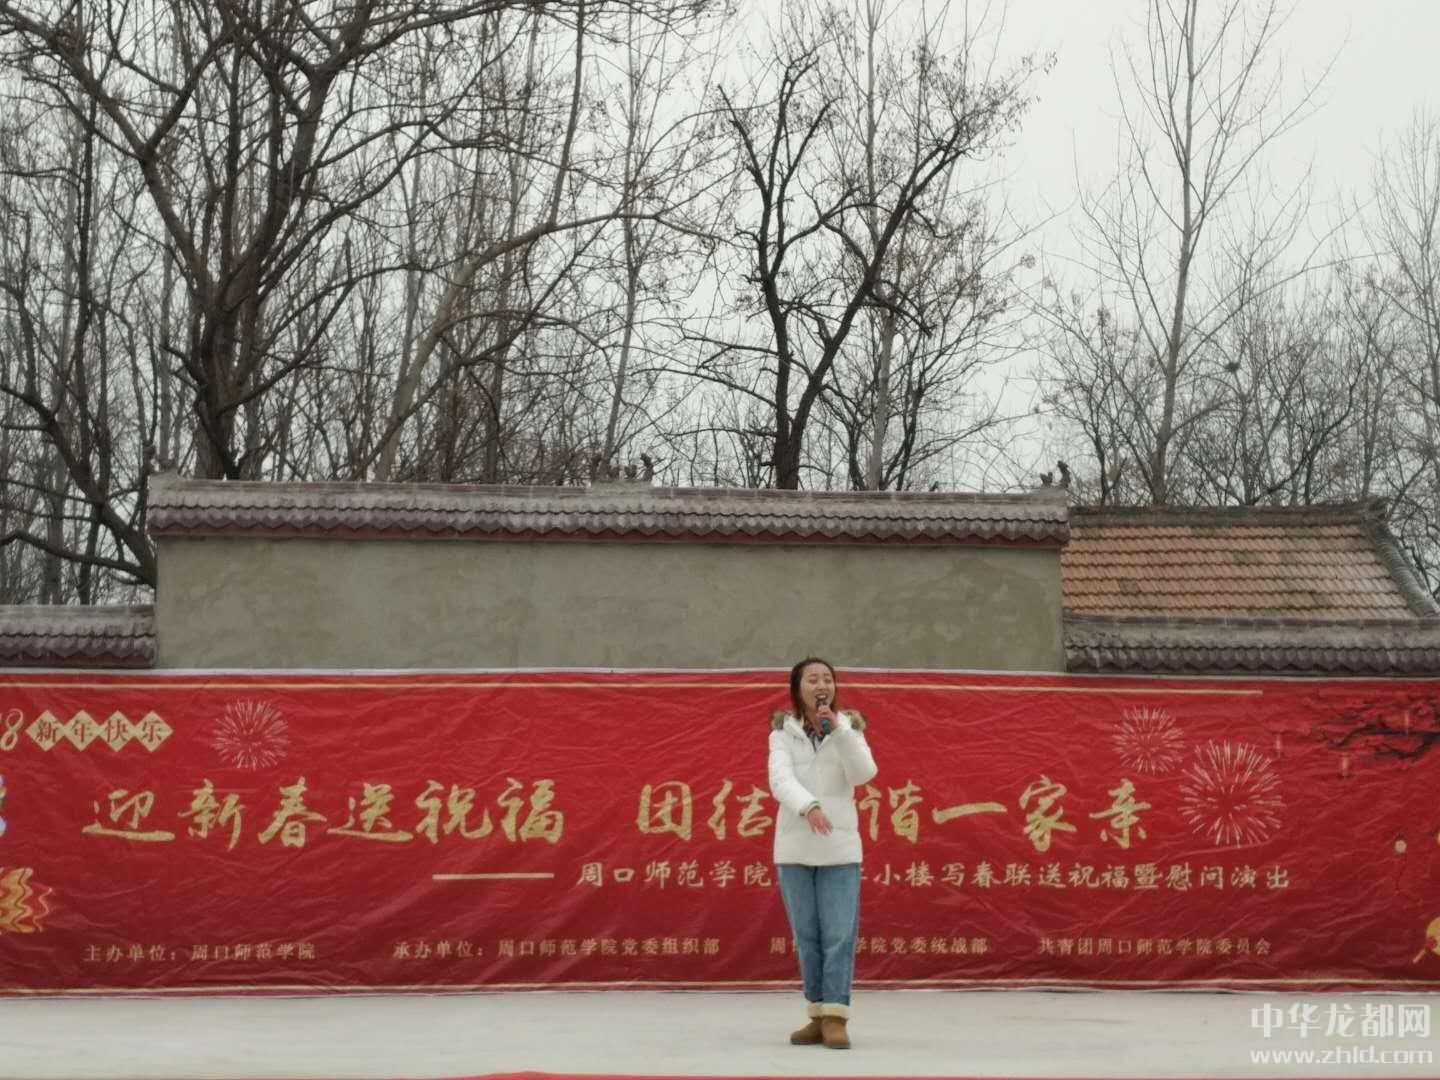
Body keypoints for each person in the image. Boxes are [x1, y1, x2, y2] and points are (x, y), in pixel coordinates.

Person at [767, 656, 878, 1050]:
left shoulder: (848, 727)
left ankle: (836, 1016)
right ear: (798, 689)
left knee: (838, 934)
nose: (821, 686)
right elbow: (780, 778)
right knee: (808, 936)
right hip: (795, 847)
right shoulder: (782, 732)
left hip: (839, 848)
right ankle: (816, 1013)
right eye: (812, 679)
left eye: (827, 679)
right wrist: (809, 806)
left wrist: (840, 731)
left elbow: (864, 774)